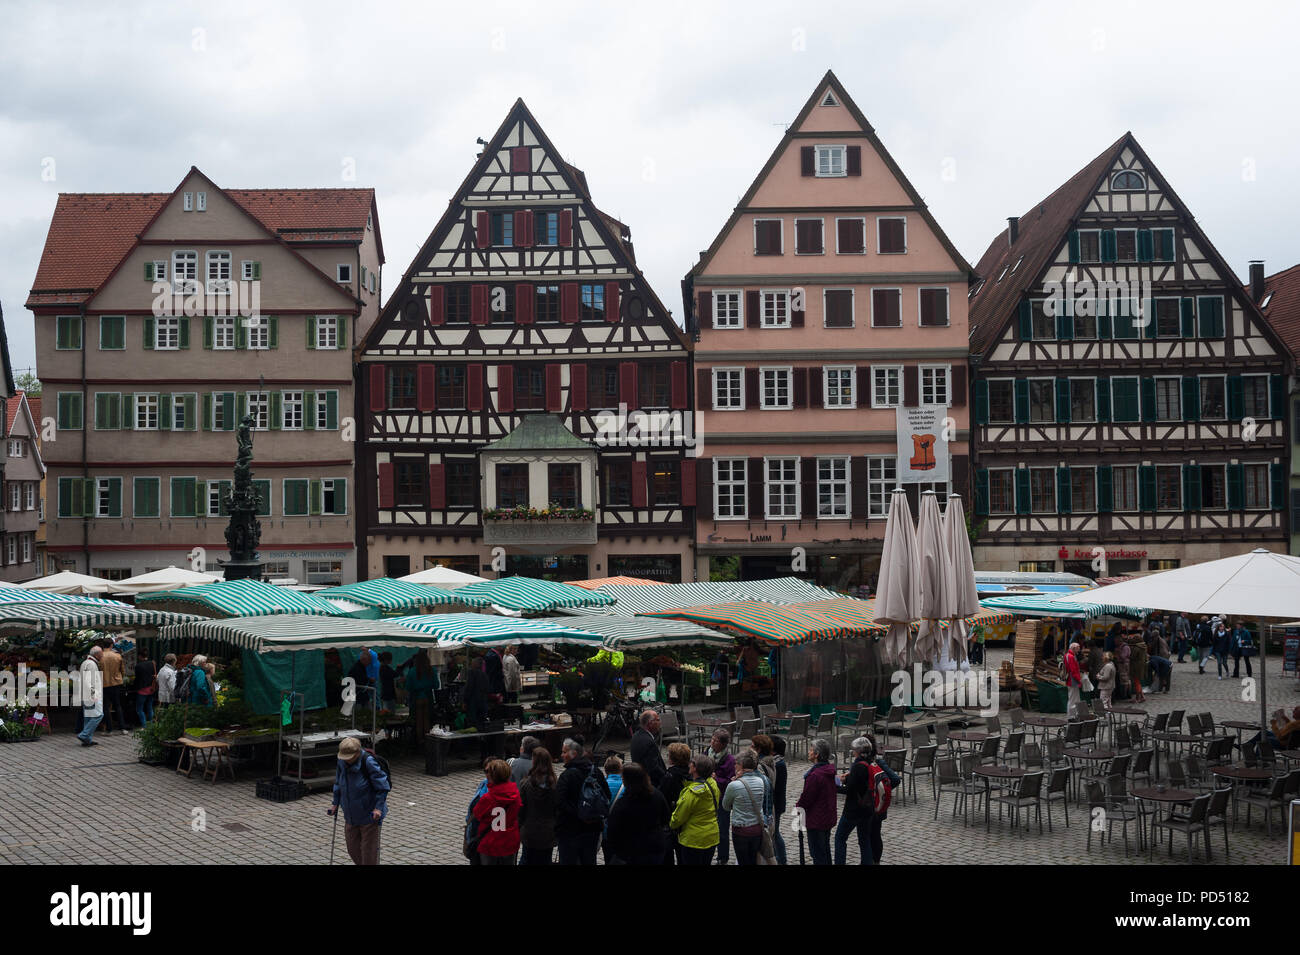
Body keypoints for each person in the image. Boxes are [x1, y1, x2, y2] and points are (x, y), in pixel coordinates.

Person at [327, 737, 390, 865]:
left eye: (348, 756)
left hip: (369, 816)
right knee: (353, 849)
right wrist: (335, 803)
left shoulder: (368, 762)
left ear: (357, 753)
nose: (346, 759)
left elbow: (382, 787)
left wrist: (378, 808)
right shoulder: (342, 762)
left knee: (368, 854)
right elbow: (339, 783)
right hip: (350, 815)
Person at [554, 737, 608, 865]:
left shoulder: (566, 776)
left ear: (574, 754)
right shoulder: (596, 772)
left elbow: (559, 802)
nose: (562, 755)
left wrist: (578, 814)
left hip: (570, 830)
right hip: (592, 828)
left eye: (564, 752)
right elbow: (607, 795)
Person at [606, 763, 671, 865]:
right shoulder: (657, 794)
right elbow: (666, 817)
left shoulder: (623, 804)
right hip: (655, 847)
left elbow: (613, 831)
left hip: (633, 852)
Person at [669, 753, 720, 865]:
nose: (689, 764)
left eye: (691, 763)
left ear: (695, 768)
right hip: (711, 836)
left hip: (694, 840)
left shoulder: (691, 793)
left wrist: (671, 824)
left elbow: (678, 818)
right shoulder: (713, 784)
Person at [722, 751, 771, 865]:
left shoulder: (734, 785)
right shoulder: (761, 781)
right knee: (753, 860)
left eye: (736, 764)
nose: (734, 766)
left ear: (741, 765)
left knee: (743, 860)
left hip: (741, 830)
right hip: (757, 829)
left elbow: (725, 806)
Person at [834, 736, 877, 865]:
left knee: (840, 838)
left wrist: (834, 786)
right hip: (868, 808)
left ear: (857, 751)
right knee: (864, 840)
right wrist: (847, 778)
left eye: (853, 749)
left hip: (854, 810)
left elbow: (850, 790)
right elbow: (859, 782)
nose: (852, 751)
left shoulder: (858, 766)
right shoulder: (871, 762)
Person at [795, 738, 838, 866]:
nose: (809, 752)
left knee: (818, 854)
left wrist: (798, 807)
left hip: (816, 820)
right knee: (825, 851)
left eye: (811, 750)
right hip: (827, 817)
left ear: (817, 754)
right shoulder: (828, 771)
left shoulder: (815, 776)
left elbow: (807, 798)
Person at [472, 759, 522, 865]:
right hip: (509, 841)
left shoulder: (488, 798)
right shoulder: (515, 794)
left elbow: (477, 814)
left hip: (490, 842)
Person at [518, 746, 558, 865]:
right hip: (548, 832)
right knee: (545, 860)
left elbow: (521, 810)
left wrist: (520, 827)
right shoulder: (555, 785)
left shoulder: (526, 784)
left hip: (530, 831)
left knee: (526, 859)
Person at [658, 742, 692, 864]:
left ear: (672, 759)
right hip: (688, 820)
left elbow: (661, 796)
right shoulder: (691, 774)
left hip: (671, 819)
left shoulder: (669, 776)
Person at [708, 729, 736, 864]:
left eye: (715, 740)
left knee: (722, 830)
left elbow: (730, 781)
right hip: (708, 796)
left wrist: (716, 779)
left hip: (722, 799)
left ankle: (723, 856)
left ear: (724, 744)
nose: (712, 742)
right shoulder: (707, 753)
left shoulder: (730, 760)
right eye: (712, 739)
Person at [402, 650, 437, 742]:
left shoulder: (413, 671)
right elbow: (436, 685)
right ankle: (427, 740)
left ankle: (419, 740)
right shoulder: (432, 670)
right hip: (428, 697)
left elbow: (408, 687)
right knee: (427, 720)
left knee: (418, 721)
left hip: (416, 697)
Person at [630, 709, 667, 787]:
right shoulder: (648, 742)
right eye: (658, 720)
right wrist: (666, 777)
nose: (660, 722)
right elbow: (653, 768)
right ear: (650, 723)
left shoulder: (636, 735)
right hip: (650, 784)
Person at [768, 735, 789, 865]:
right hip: (775, 803)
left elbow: (776, 788)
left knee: (775, 834)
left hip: (776, 804)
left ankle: (782, 860)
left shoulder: (779, 764)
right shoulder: (776, 762)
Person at [99, 639, 128, 733]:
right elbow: (123, 671)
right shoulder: (117, 656)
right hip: (116, 683)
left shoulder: (100, 657)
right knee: (118, 705)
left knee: (106, 707)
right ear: (111, 645)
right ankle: (122, 728)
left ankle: (109, 729)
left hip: (104, 683)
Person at [77, 647, 104, 747]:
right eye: (101, 654)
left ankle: (87, 739)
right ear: (96, 655)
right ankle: (84, 735)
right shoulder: (92, 664)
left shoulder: (85, 662)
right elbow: (90, 682)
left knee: (88, 716)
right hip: (91, 694)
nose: (102, 655)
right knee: (98, 715)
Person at [133, 648, 157, 727]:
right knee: (149, 707)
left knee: (139, 708)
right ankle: (151, 725)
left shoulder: (138, 666)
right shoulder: (152, 663)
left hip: (142, 690)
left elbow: (137, 679)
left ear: (140, 656)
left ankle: (144, 725)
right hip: (151, 689)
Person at [462, 657, 489, 727]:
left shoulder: (471, 672)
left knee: (472, 722)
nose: (471, 664)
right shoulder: (484, 674)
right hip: (482, 701)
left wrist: (465, 700)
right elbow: (487, 688)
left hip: (473, 701)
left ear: (475, 664)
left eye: (472, 662)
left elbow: (469, 687)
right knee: (480, 722)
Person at [1063, 642, 1084, 720]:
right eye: (1077, 649)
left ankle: (1074, 715)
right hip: (1073, 680)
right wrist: (1079, 680)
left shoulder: (1067, 655)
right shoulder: (1071, 656)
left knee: (1074, 698)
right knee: (1073, 699)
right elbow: (1073, 670)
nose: (1078, 651)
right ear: (1074, 648)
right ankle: (1071, 716)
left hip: (1071, 679)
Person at [1128, 635, 1148, 704]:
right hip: (1141, 666)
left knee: (1137, 682)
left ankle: (1137, 698)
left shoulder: (1137, 648)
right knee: (1138, 682)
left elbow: (1132, 656)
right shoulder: (1144, 646)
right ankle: (1142, 697)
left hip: (1136, 667)